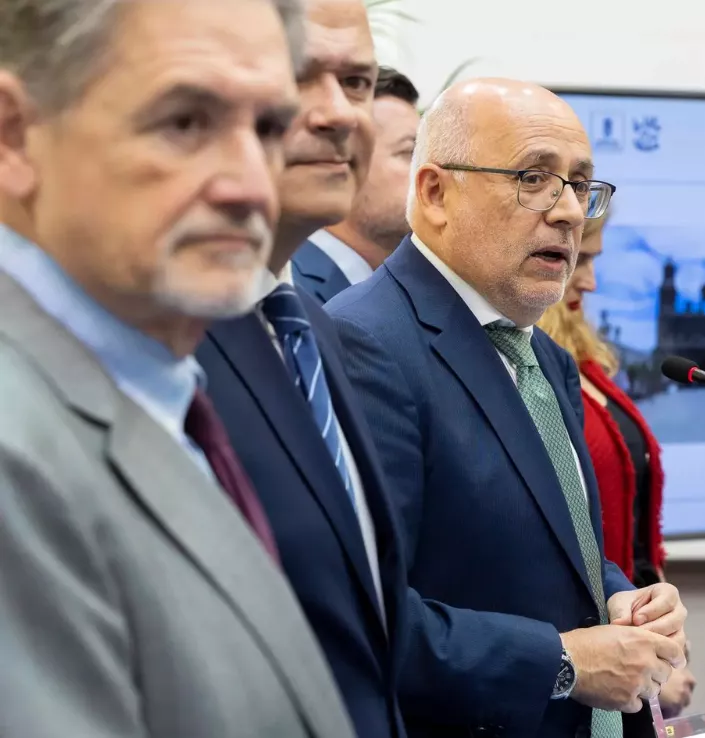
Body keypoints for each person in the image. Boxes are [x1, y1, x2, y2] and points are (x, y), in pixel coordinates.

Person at [0, 0, 355, 736]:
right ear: (13, 136)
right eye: (185, 122)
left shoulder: (154, 385)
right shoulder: (16, 454)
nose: (251, 186)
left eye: (265, 129)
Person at [327, 77, 689, 738]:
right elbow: (361, 621)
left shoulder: (544, 358)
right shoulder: (363, 344)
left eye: (581, 185)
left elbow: (554, 546)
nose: (571, 212)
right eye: (533, 178)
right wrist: (565, 663)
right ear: (434, 194)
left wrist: (621, 596)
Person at [194, 2, 408, 737]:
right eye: (298, 75)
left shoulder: (316, 328)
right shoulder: (163, 335)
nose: (339, 113)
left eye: (357, 81)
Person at [537, 213, 698, 718]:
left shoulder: (577, 361)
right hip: (588, 657)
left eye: (591, 259)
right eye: (578, 259)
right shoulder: (528, 374)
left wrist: (656, 628)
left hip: (631, 629)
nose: (589, 279)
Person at [293, 66, 420, 303]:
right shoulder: (290, 297)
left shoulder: (407, 297)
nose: (430, 174)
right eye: (411, 153)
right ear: (343, 160)